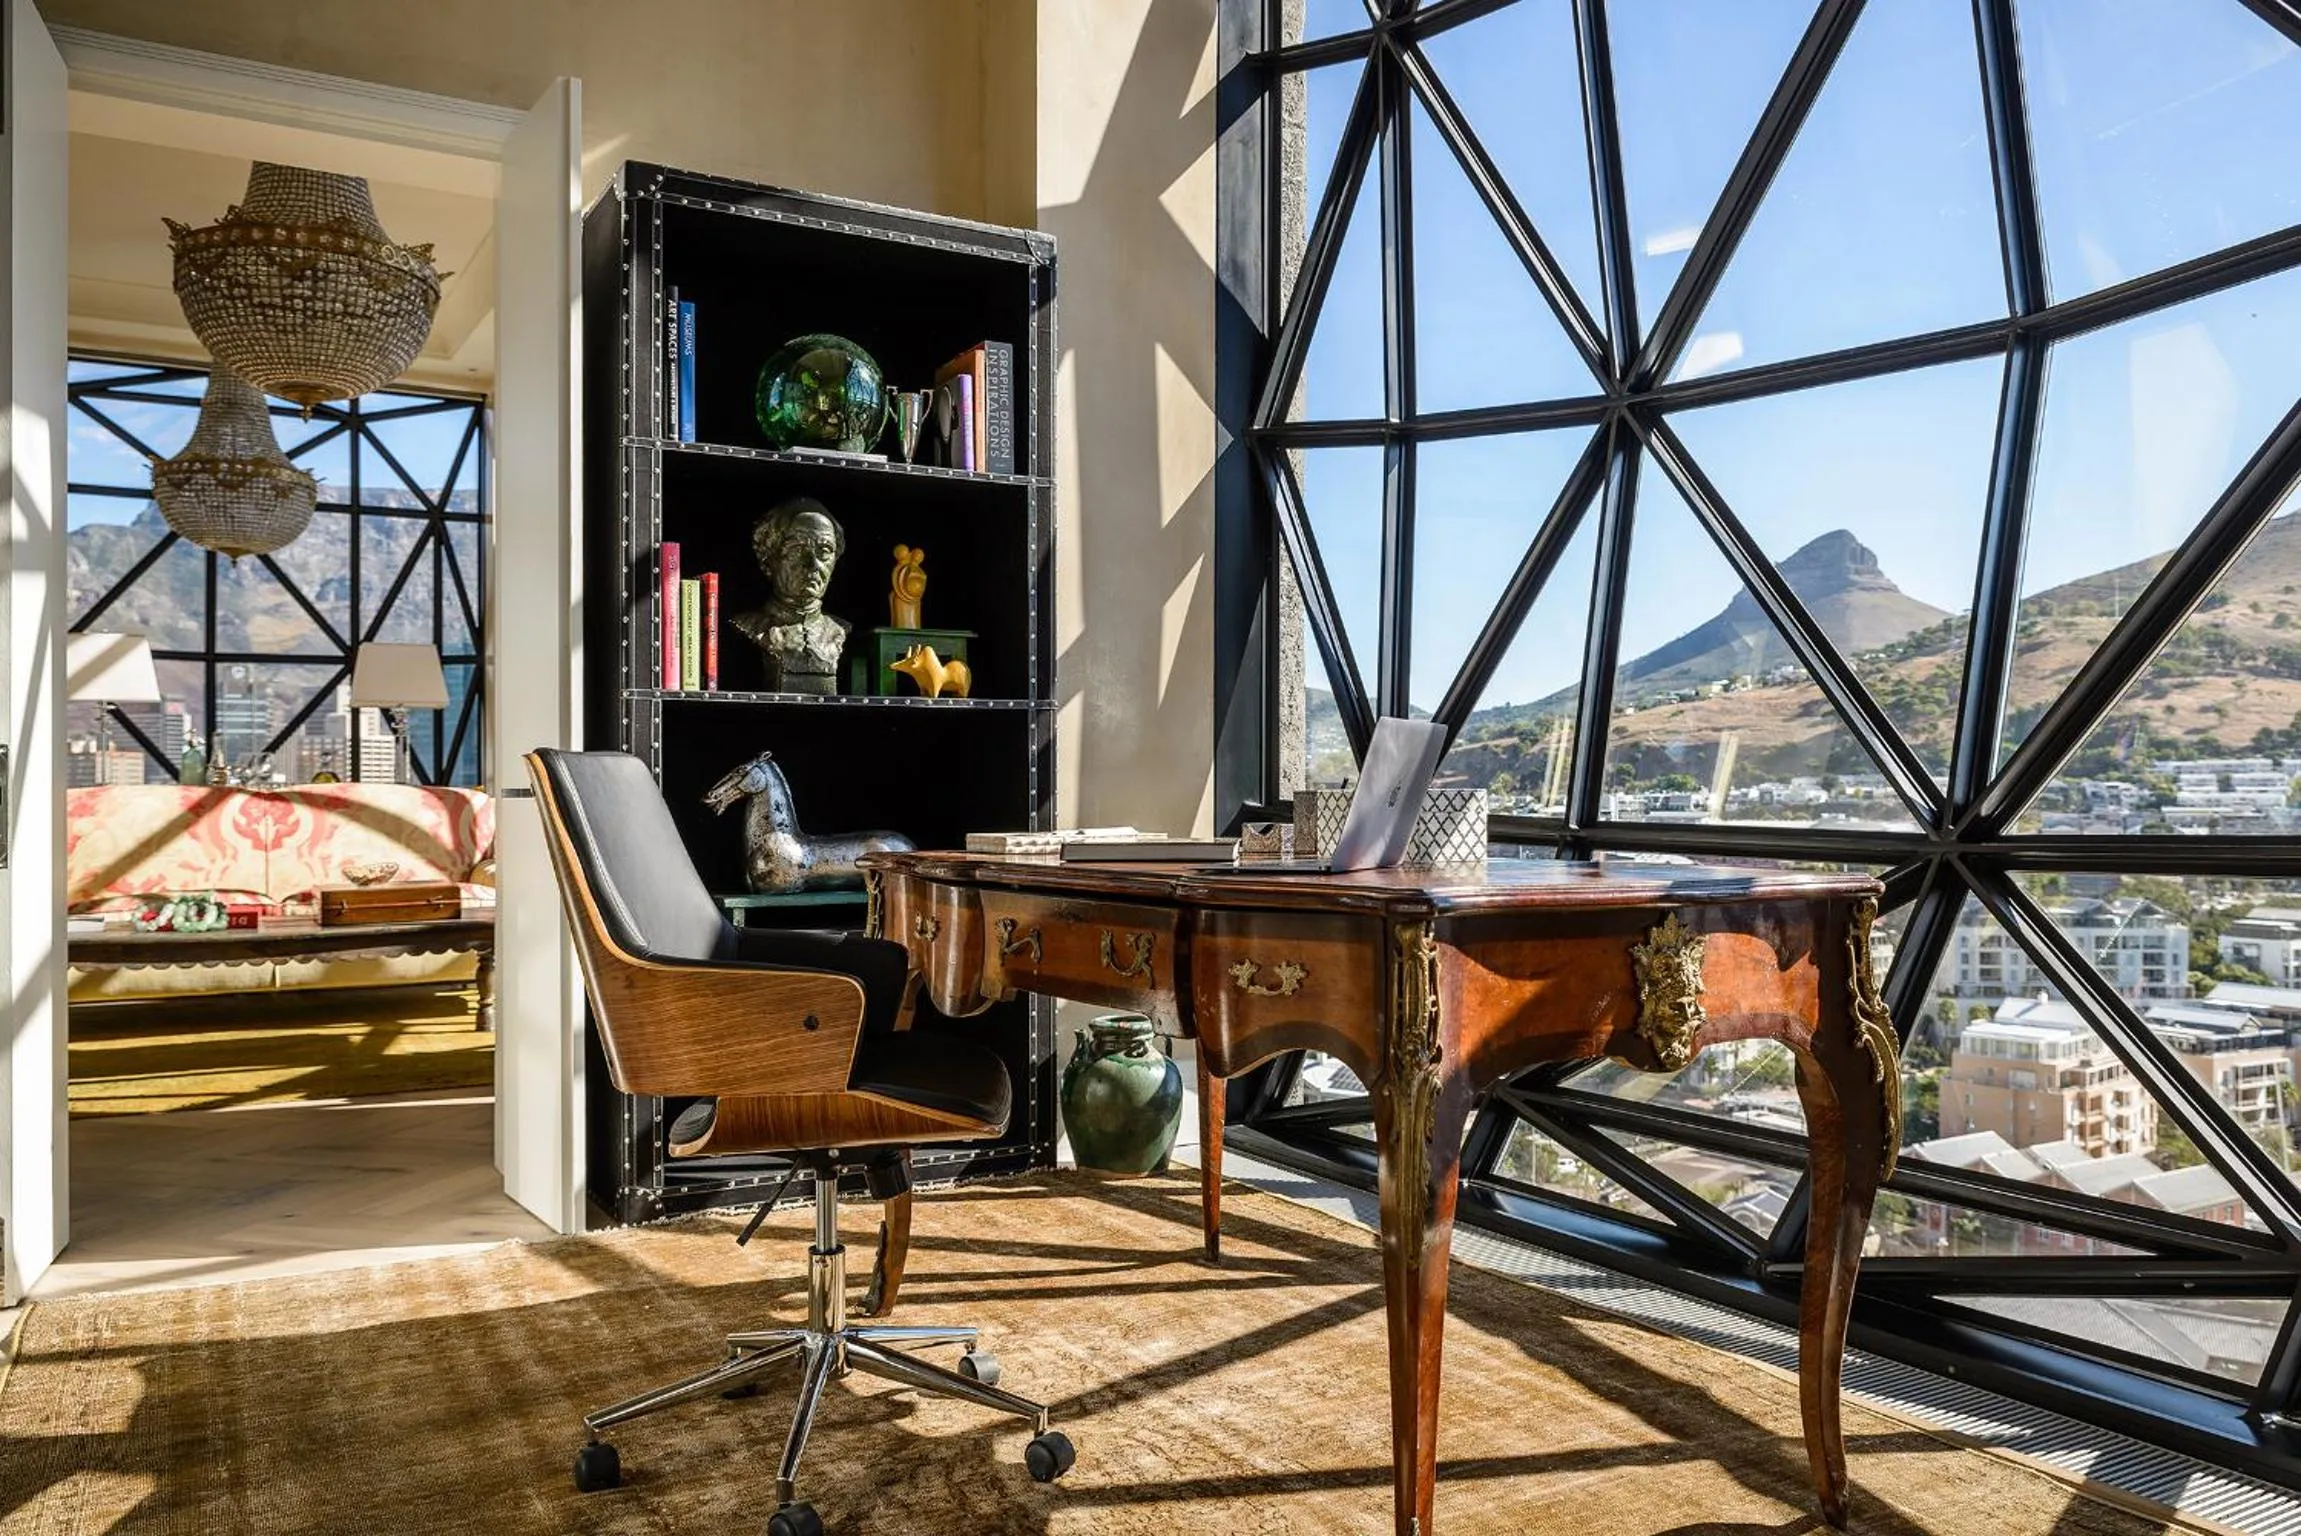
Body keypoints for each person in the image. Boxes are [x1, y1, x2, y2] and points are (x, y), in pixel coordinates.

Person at [729, 497, 848, 693]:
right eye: (797, 549)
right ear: (768, 559)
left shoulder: (841, 631)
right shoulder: (747, 626)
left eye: (824, 551)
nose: (813, 564)